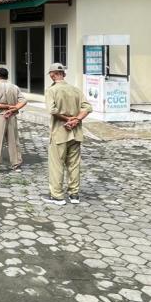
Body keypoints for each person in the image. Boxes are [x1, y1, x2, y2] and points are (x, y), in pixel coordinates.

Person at [44, 63, 92, 205]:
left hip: (60, 132)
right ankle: (74, 195)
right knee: (74, 165)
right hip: (76, 133)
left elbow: (52, 110)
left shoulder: (51, 90)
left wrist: (67, 119)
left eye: (51, 74)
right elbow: (88, 107)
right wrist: (76, 120)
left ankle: (57, 196)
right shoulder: (76, 90)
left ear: (53, 75)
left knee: (57, 165)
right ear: (63, 74)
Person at [0, 67, 27, 173]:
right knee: (13, 141)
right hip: (11, 116)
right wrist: (14, 108)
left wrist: (7, 107)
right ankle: (16, 165)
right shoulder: (14, 87)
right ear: (7, 76)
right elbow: (24, 101)